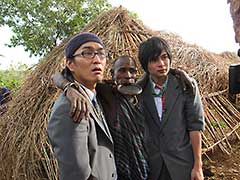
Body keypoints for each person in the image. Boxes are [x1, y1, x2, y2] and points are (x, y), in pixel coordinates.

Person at [52, 55, 149, 180]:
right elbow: (56, 75)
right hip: (118, 171)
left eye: (132, 71)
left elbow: (156, 73)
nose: (128, 75)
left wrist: (180, 73)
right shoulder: (106, 92)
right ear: (112, 73)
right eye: (122, 70)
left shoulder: (139, 95)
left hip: (143, 168)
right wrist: (68, 88)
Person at [47, 32, 117, 180]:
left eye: (101, 54)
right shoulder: (69, 107)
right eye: (87, 53)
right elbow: (76, 174)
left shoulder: (96, 98)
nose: (97, 60)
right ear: (70, 64)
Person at [137, 36, 205, 180]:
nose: (161, 64)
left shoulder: (186, 86)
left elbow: (195, 126)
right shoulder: (138, 91)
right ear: (145, 65)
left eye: (164, 57)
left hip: (182, 164)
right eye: (154, 60)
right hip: (153, 167)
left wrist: (198, 166)